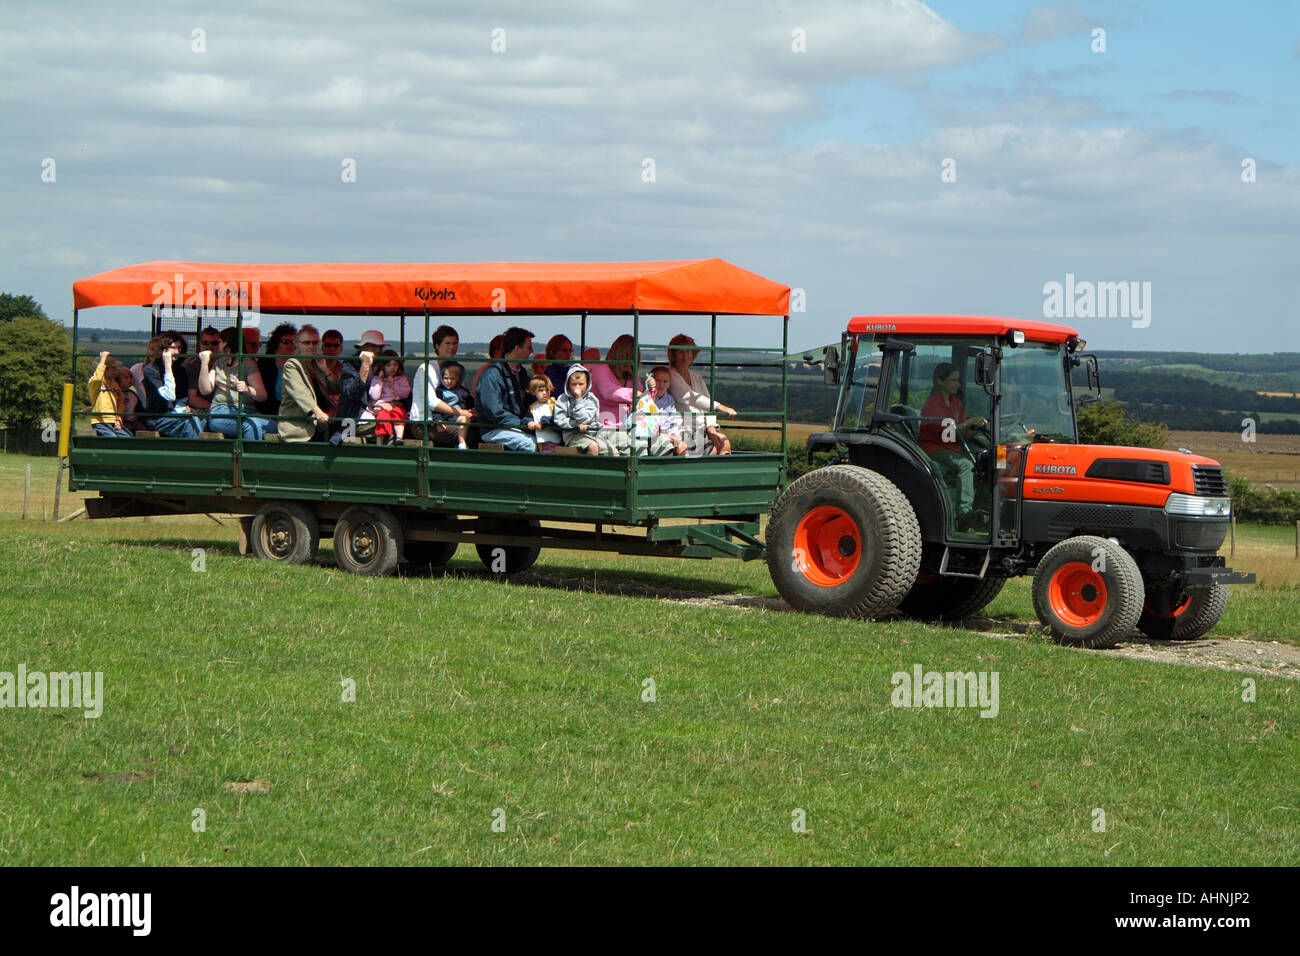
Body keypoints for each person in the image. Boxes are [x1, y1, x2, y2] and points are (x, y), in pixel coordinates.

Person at [918, 362, 988, 526]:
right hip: (933, 447)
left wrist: (977, 427)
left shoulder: (956, 402)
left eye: (958, 380)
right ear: (940, 382)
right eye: (953, 380)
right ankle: (964, 513)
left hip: (952, 446)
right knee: (965, 465)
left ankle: (982, 509)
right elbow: (943, 431)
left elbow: (961, 434)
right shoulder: (933, 404)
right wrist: (968, 422)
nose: (957, 383)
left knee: (985, 458)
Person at [666, 333, 737, 455]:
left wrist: (711, 428)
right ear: (673, 355)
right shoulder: (669, 375)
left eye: (689, 351)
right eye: (681, 352)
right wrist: (720, 407)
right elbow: (690, 397)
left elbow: (707, 401)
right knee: (686, 448)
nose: (685, 356)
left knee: (724, 443)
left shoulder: (696, 377)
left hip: (701, 430)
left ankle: (714, 473)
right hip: (682, 430)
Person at [200, 327, 271, 440]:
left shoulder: (247, 363)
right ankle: (245, 456)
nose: (217, 346)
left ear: (227, 343)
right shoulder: (219, 363)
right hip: (220, 413)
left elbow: (262, 395)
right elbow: (205, 389)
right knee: (250, 426)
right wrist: (204, 364)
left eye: (219, 342)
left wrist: (247, 389)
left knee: (276, 426)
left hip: (247, 412)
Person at [475, 326, 537, 452]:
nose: (532, 351)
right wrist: (523, 423)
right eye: (529, 347)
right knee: (531, 445)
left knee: (549, 441)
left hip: (514, 426)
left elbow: (529, 401)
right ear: (517, 348)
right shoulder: (491, 375)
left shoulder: (522, 373)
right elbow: (494, 413)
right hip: (493, 428)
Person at [409, 325, 474, 446]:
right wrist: (461, 412)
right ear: (437, 346)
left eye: (455, 343)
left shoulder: (453, 368)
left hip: (446, 420)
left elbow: (461, 395)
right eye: (447, 343)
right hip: (425, 424)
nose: (452, 347)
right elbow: (432, 402)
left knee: (476, 427)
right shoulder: (427, 369)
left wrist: (471, 411)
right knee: (470, 433)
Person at [139, 331, 200, 438]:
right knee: (186, 424)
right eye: (173, 347)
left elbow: (181, 398)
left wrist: (183, 409)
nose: (177, 351)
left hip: (176, 413)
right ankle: (198, 452)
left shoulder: (181, 370)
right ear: (164, 349)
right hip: (158, 417)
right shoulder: (151, 370)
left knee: (199, 420)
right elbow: (169, 396)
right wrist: (168, 366)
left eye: (180, 348)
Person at [277, 325, 331, 442]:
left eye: (315, 342)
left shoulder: (317, 364)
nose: (311, 346)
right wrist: (318, 412)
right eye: (307, 343)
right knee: (324, 427)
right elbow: (300, 393)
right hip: (299, 424)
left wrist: (326, 370)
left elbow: (336, 389)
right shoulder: (292, 365)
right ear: (297, 344)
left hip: (323, 419)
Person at [328, 333, 381, 446]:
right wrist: (365, 367)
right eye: (375, 346)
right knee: (385, 426)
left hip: (376, 411)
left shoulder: (381, 364)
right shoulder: (350, 364)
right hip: (353, 417)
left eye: (381, 347)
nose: (378, 350)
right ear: (364, 347)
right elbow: (353, 393)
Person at [553, 365, 618, 455]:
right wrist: (576, 423)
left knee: (612, 451)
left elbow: (587, 419)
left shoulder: (592, 399)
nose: (577, 388)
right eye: (573, 384)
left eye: (581, 384)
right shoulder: (562, 399)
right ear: (568, 384)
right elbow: (559, 419)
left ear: (587, 384)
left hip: (593, 434)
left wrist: (578, 400)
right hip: (574, 435)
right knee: (593, 446)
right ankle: (591, 468)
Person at [632, 367, 687, 456]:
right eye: (658, 381)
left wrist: (675, 436)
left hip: (667, 435)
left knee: (682, 446)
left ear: (669, 384)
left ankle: (679, 469)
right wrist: (665, 436)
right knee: (664, 446)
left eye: (665, 381)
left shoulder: (669, 401)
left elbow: (672, 422)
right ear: (652, 381)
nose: (661, 384)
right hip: (649, 435)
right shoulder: (646, 397)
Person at [364, 349, 411, 444]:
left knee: (399, 415)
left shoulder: (401, 379)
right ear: (383, 367)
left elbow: (405, 393)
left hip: (396, 406)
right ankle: (379, 442)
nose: (392, 368)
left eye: (395, 365)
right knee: (382, 418)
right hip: (380, 407)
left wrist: (393, 386)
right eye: (389, 365)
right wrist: (380, 381)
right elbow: (374, 396)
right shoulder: (377, 379)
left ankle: (399, 437)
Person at [88, 351, 133, 437]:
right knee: (112, 438)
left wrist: (119, 418)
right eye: (114, 368)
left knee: (128, 437)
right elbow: (98, 377)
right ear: (105, 368)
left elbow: (121, 401)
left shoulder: (114, 384)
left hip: (113, 420)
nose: (116, 370)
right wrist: (103, 359)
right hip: (100, 421)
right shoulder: (95, 382)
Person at [185, 326, 222, 419]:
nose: (210, 347)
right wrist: (215, 409)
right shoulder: (192, 364)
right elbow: (192, 398)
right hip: (202, 410)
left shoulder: (225, 363)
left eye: (214, 343)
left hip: (222, 409)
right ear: (200, 344)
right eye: (205, 343)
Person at [526, 375, 563, 450]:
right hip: (540, 442)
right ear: (533, 391)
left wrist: (543, 422)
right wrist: (529, 422)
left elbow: (557, 419)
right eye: (541, 390)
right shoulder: (533, 407)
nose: (544, 393)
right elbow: (526, 417)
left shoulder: (554, 404)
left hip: (556, 441)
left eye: (547, 390)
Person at [318, 328, 345, 419]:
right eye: (328, 345)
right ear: (322, 347)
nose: (331, 348)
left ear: (341, 349)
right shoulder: (313, 368)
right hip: (317, 414)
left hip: (337, 415)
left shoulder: (344, 370)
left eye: (335, 345)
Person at [471, 334, 505, 398]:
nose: (503, 352)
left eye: (505, 349)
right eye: (500, 349)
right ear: (493, 351)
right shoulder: (486, 371)